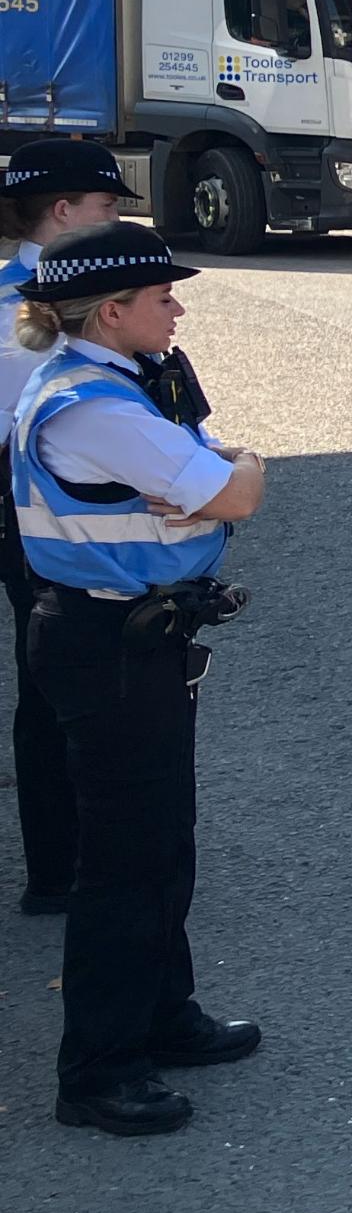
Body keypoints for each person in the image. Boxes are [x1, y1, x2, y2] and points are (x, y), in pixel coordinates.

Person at [13, 226, 269, 1136]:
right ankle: (98, 1067)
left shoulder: (115, 385)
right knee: (126, 861)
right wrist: (239, 470)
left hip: (129, 636)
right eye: (164, 297)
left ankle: (164, 1013)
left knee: (162, 842)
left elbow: (207, 470)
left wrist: (215, 470)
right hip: (108, 642)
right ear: (111, 312)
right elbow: (235, 491)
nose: (179, 308)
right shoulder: (97, 410)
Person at [0, 138, 133, 919]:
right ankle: (63, 865)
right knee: (58, 682)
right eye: (107, 206)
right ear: (63, 211)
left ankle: (80, 850)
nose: (115, 216)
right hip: (42, 515)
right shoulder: (24, 308)